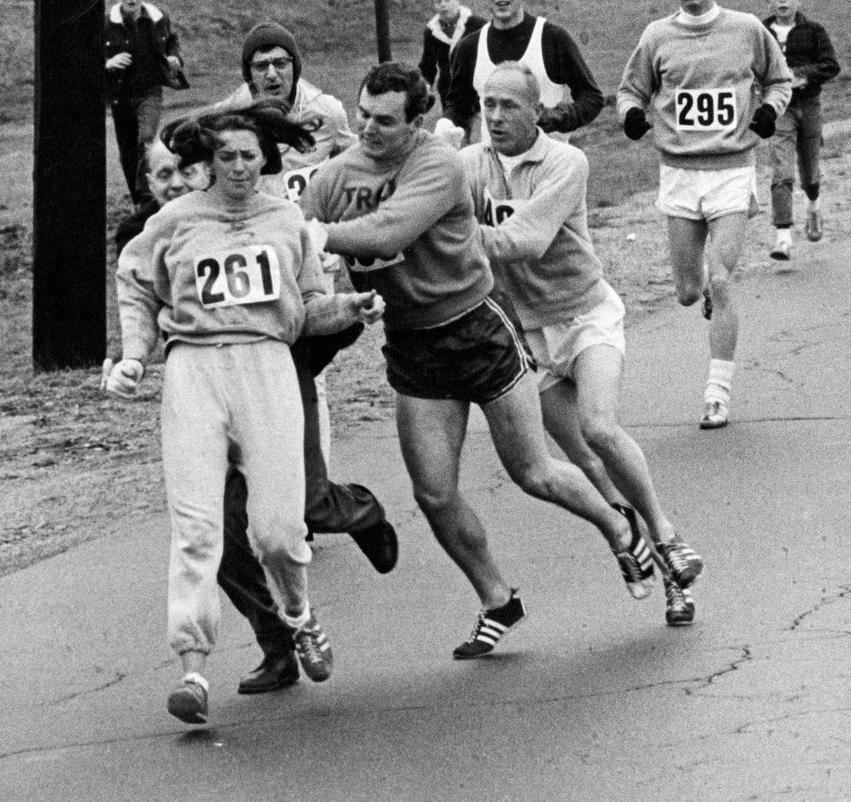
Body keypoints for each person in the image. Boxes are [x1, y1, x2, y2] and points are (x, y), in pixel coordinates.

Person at [302, 61, 655, 659]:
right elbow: (299, 247)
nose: (369, 129)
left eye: (386, 121)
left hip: (477, 329)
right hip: (414, 344)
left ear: (417, 123)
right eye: (363, 114)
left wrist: (313, 234)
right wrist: (323, 289)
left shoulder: (438, 164)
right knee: (433, 493)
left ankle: (619, 525)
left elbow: (389, 232)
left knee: (533, 472)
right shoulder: (335, 176)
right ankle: (497, 599)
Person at [106, 101, 384, 724]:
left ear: (265, 160)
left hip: (266, 366)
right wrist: (133, 354)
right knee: (198, 527)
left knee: (278, 532)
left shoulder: (286, 221)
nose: (235, 166)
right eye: (224, 155)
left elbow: (310, 304)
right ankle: (193, 669)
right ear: (207, 161)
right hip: (194, 371)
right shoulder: (175, 220)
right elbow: (135, 282)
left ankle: (299, 615)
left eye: (247, 156)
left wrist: (350, 308)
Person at [462, 62, 705, 626]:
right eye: (487, 105)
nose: (495, 118)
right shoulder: (468, 165)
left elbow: (525, 240)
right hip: (526, 332)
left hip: (585, 315)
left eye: (508, 107)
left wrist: (449, 234)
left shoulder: (566, 161)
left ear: (536, 111)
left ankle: (664, 536)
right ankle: (651, 561)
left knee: (600, 426)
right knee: (589, 468)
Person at [617, 0, 792, 430]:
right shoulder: (657, 36)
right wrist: (631, 114)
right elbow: (632, 88)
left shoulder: (746, 29)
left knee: (721, 277)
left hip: (732, 168)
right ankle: (708, 293)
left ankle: (717, 394)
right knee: (689, 291)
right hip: (679, 171)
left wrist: (767, 111)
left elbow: (780, 81)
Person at [444, 0, 603, 146]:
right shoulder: (469, 47)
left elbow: (591, 97)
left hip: (548, 166)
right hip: (495, 168)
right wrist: (446, 125)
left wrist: (554, 117)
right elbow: (458, 106)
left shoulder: (552, 39)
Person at [213, 20, 356, 204]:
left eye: (280, 63)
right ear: (249, 74)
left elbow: (358, 160)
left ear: (294, 66)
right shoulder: (230, 113)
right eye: (261, 66)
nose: (271, 74)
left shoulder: (327, 112)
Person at [760, 0, 841, 261]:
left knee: (810, 173)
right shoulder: (760, 31)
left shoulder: (814, 30)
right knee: (781, 171)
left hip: (808, 106)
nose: (781, 0)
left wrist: (803, 77)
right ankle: (783, 238)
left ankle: (814, 206)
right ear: (769, 0)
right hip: (778, 109)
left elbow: (832, 66)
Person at [105, 0, 188, 206]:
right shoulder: (106, 23)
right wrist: (107, 63)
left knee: (147, 139)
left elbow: (172, 41)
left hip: (149, 92)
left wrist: (175, 58)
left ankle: (149, 198)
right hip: (120, 97)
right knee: (128, 152)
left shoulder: (158, 18)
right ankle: (138, 202)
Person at [418, 0, 486, 116]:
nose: (443, 5)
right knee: (454, 132)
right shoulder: (431, 31)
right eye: (438, 1)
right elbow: (427, 66)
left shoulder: (477, 24)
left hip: (476, 90)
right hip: (449, 92)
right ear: (433, 5)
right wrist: (424, 86)